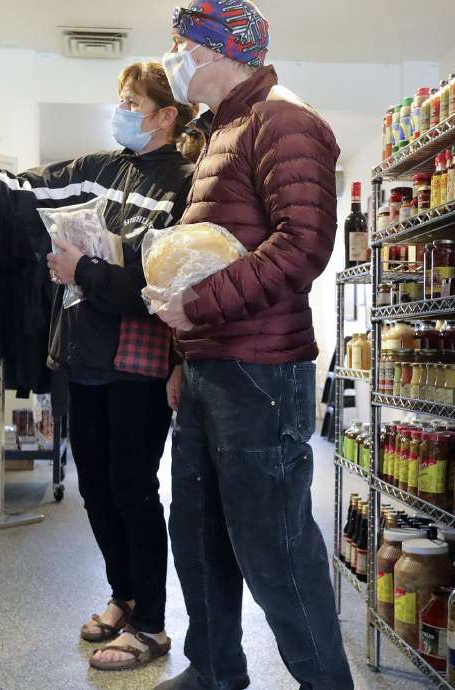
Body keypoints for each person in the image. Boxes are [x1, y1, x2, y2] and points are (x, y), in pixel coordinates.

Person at [0, 61, 198, 673]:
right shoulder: (95, 168)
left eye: (132, 103)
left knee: (134, 490)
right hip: (84, 356)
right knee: (94, 488)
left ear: (167, 115)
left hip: (140, 362)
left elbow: (164, 284)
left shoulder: (186, 185)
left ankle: (150, 624)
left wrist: (85, 273)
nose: (122, 111)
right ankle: (123, 596)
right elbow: (18, 194)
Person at [151, 2, 354, 689]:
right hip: (212, 366)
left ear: (217, 50)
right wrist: (185, 354)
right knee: (199, 531)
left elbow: (303, 247)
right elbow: (204, 256)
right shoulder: (224, 131)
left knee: (275, 544)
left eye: (180, 44)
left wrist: (197, 308)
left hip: (262, 371)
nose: (173, 57)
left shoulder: (283, 121)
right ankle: (214, 670)